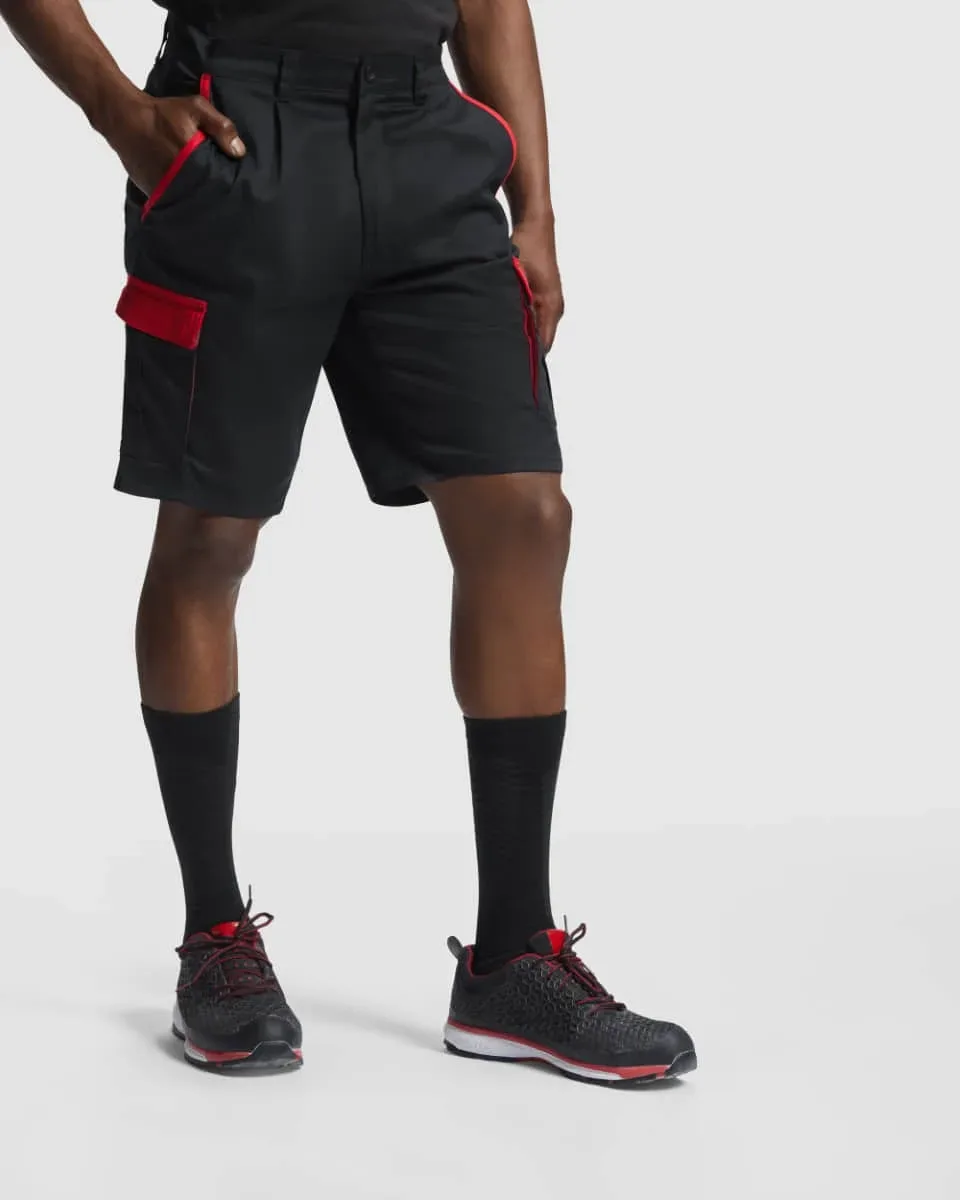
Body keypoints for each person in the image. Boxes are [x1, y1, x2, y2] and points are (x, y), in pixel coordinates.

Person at [1, 0, 697, 1084]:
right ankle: (215, 938)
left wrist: (538, 210)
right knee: (212, 534)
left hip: (429, 148)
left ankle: (514, 960)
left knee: (525, 515)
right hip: (238, 140)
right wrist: (120, 114)